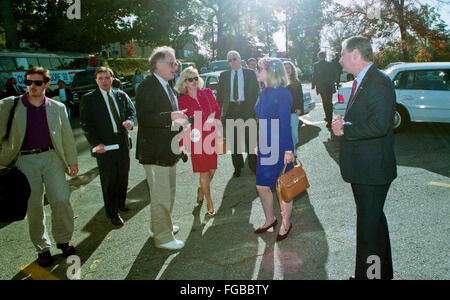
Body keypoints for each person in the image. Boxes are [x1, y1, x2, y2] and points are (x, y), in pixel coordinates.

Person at [332, 36, 397, 280]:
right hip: (366, 169)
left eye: (342, 54)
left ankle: (368, 277)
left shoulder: (378, 82)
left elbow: (380, 125)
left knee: (368, 231)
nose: (339, 59)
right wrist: (345, 122)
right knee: (375, 225)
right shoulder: (364, 80)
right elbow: (368, 119)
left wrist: (345, 129)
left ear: (356, 54)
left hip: (373, 171)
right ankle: (380, 274)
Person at [0, 66, 78, 267]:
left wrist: (72, 161)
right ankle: (42, 248)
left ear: (46, 84)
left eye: (36, 82)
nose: (31, 86)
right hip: (25, 160)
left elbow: (67, 137)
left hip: (52, 157)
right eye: (28, 82)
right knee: (34, 205)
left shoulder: (57, 107)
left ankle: (64, 240)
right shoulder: (10, 105)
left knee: (61, 199)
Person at [135, 46, 189, 250]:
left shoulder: (166, 85)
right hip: (155, 152)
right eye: (171, 63)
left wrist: (176, 122)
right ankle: (163, 238)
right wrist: (171, 116)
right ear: (157, 65)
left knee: (167, 193)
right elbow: (145, 118)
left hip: (168, 150)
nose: (175, 67)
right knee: (161, 195)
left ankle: (157, 227)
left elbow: (166, 116)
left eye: (175, 63)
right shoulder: (149, 86)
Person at [79, 67, 136, 226]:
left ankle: (121, 203)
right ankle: (112, 213)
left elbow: (131, 111)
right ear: (96, 80)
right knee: (109, 179)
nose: (104, 81)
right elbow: (86, 124)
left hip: (122, 141)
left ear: (112, 78)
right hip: (105, 144)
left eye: (107, 78)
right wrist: (96, 143)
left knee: (123, 174)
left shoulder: (120, 95)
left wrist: (130, 122)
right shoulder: (89, 99)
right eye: (101, 78)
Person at [253, 58, 295, 241]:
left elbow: (285, 123)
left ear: (270, 72)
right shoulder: (264, 92)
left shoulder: (282, 93)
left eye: (259, 68)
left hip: (280, 146)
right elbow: (262, 120)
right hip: (266, 146)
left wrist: (288, 150)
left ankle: (286, 224)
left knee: (283, 187)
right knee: (261, 186)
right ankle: (270, 219)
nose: (256, 71)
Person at [175, 67, 221, 217]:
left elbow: (216, 109)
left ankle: (202, 189)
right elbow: (181, 124)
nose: (194, 81)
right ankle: (210, 202)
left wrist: (211, 118)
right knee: (204, 171)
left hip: (211, 134)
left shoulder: (207, 93)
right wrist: (182, 143)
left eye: (196, 78)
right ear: (184, 82)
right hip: (196, 138)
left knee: (212, 169)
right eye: (190, 79)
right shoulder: (181, 101)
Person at [217, 50, 260, 177]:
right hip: (231, 111)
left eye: (234, 59)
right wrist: (218, 113)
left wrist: (256, 112)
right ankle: (238, 167)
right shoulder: (224, 75)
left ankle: (254, 167)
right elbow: (219, 96)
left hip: (247, 110)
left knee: (250, 141)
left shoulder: (250, 74)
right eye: (229, 60)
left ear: (240, 59)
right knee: (234, 143)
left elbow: (256, 94)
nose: (232, 62)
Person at [312, 51, 337, 129]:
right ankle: (329, 119)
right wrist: (333, 81)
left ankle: (328, 118)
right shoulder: (330, 64)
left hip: (322, 87)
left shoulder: (316, 65)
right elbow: (335, 74)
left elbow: (314, 76)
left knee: (325, 102)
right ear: (325, 56)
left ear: (319, 57)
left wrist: (313, 85)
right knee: (329, 102)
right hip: (329, 86)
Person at [284, 61, 304, 154]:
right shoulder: (278, 81)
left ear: (292, 69)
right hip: (281, 112)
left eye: (289, 68)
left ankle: (293, 149)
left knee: (294, 134)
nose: (287, 70)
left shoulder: (296, 82)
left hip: (293, 111)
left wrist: (300, 108)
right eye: (285, 68)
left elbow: (300, 96)